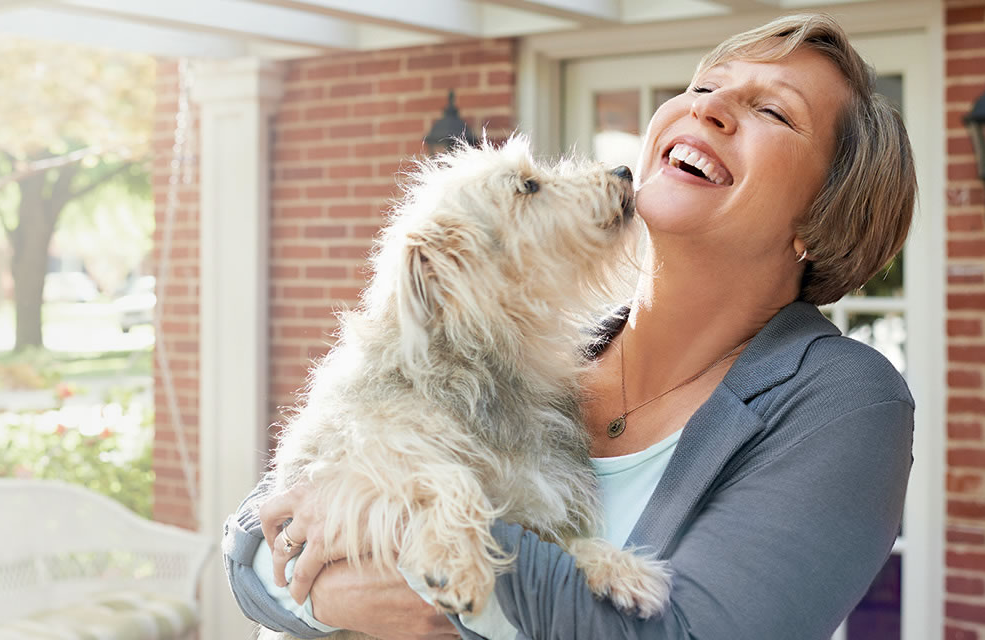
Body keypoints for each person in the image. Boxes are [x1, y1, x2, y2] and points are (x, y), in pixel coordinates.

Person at [223, 13, 917, 640]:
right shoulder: (525, 344)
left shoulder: (846, 404)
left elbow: (690, 631)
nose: (712, 111)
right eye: (705, 87)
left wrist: (411, 536)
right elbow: (262, 538)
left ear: (823, 219)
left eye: (772, 110)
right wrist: (330, 596)